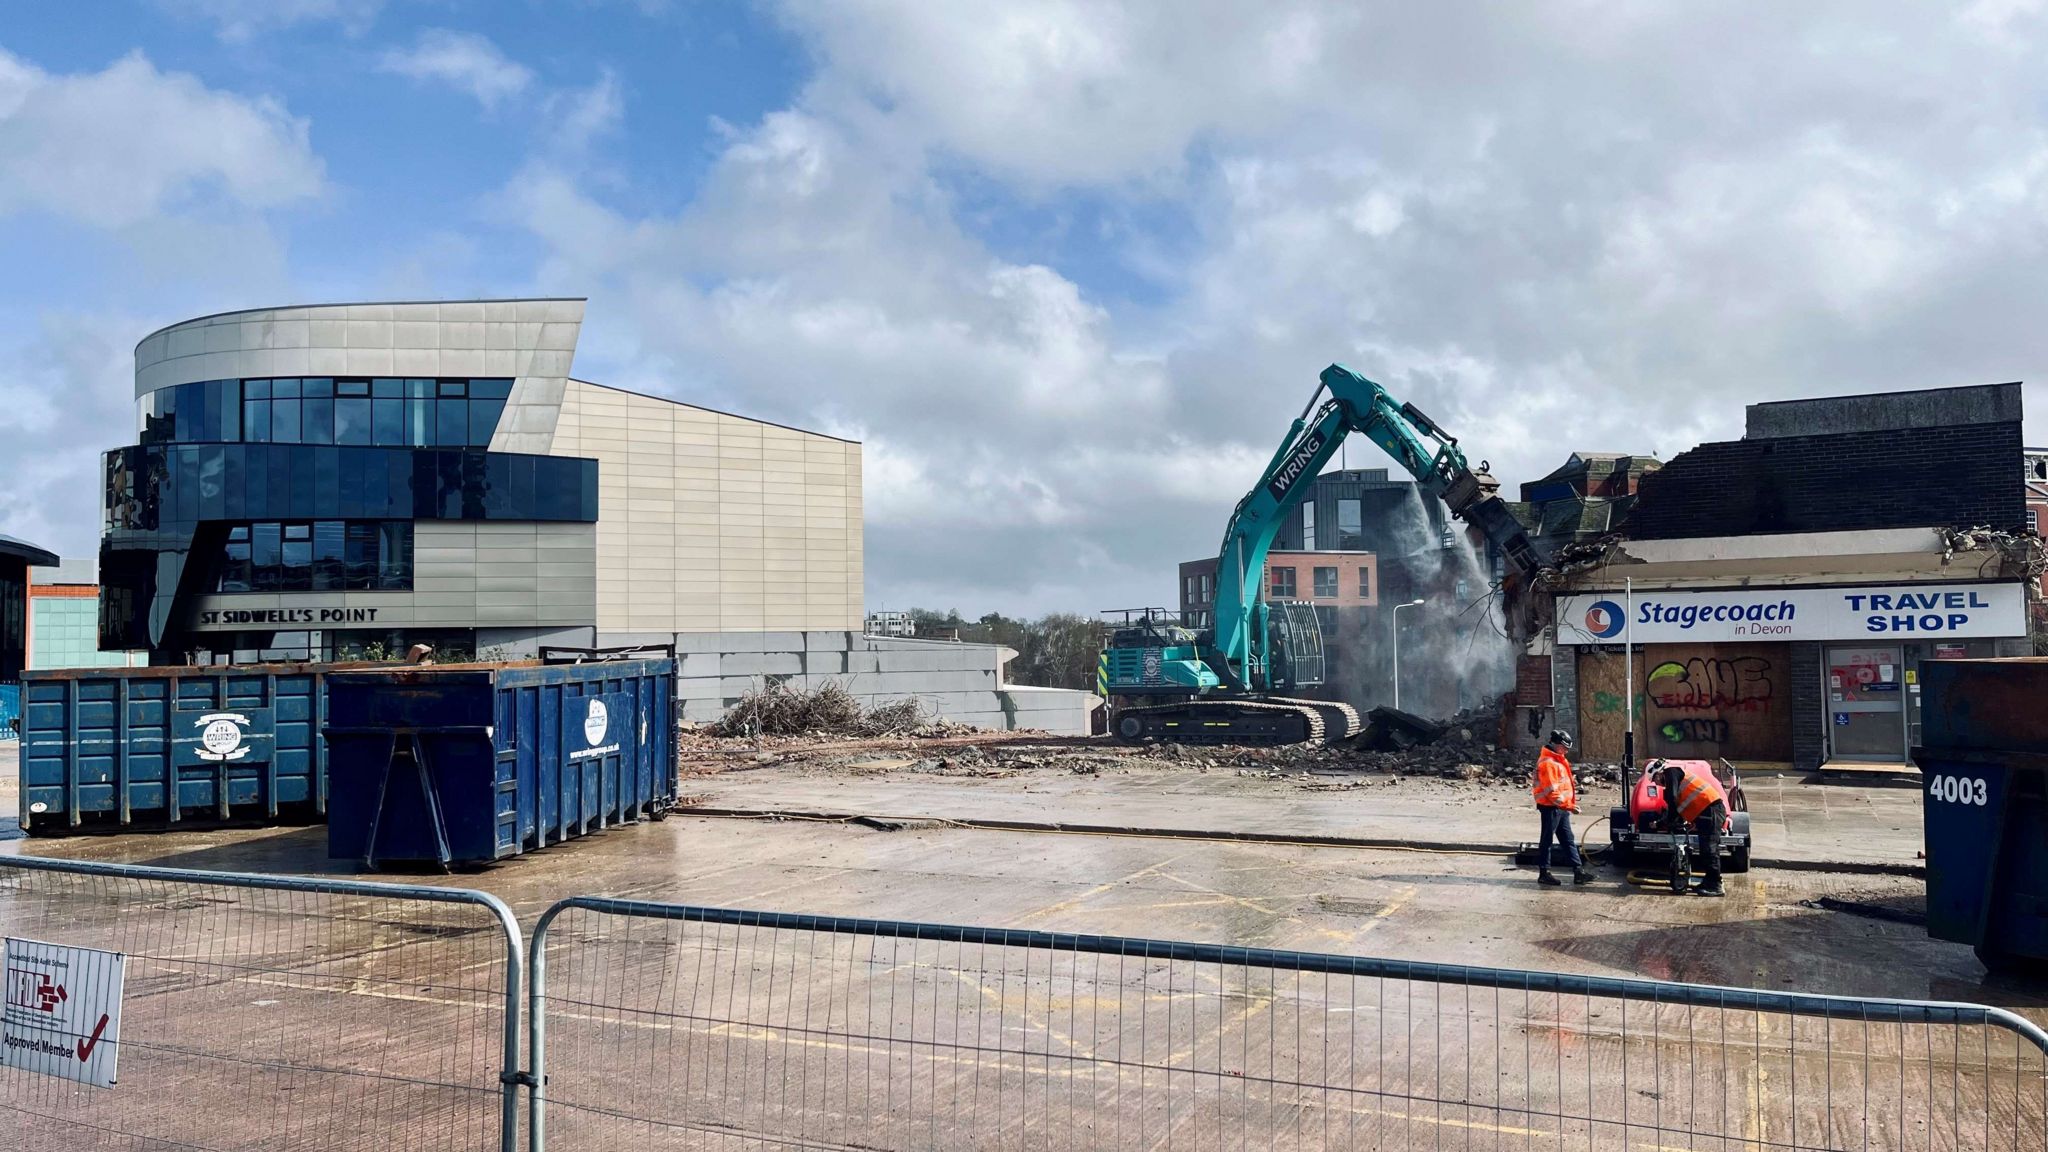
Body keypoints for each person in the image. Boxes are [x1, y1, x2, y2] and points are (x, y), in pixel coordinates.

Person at [1532, 729, 1594, 886]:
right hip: (1551, 807)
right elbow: (1551, 792)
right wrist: (1569, 806)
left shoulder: (1558, 759)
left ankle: (1578, 871)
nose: (1567, 751)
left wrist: (1568, 805)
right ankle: (1544, 873)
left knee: (1568, 840)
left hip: (1561, 808)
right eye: (1564, 747)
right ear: (1556, 744)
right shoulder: (1548, 763)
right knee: (1546, 840)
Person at [1660, 761, 1729, 897]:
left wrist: (1669, 818)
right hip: (1707, 812)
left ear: (1659, 773)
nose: (1659, 784)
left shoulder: (1671, 772)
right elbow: (1677, 807)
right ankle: (1709, 883)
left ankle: (1715, 885)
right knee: (1706, 850)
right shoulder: (1675, 782)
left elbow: (1673, 799)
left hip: (1712, 810)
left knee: (1709, 849)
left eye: (1656, 779)